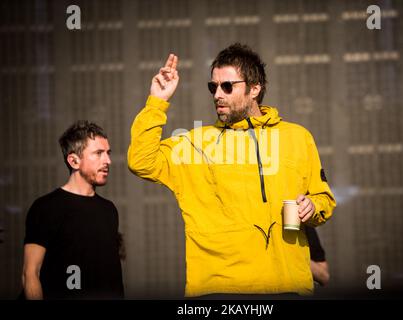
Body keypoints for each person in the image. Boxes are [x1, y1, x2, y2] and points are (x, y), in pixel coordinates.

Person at [128, 43, 336, 297]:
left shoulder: (298, 137)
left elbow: (323, 198)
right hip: (220, 290)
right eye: (212, 87)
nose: (217, 94)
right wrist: (156, 103)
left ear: (255, 89)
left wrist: (312, 206)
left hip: (288, 287)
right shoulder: (196, 143)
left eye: (227, 86)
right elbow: (141, 161)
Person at [22, 121, 124, 300]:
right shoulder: (46, 208)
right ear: (74, 161)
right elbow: (30, 274)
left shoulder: (109, 210)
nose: (108, 160)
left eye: (108, 153)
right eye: (98, 153)